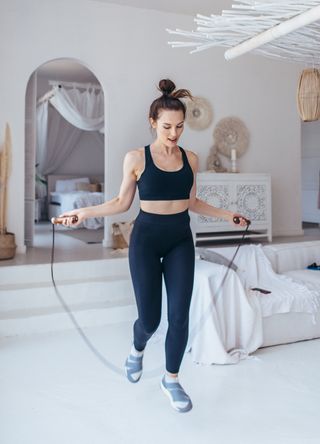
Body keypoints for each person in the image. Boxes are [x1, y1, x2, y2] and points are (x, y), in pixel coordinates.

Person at [58, 79, 249, 413]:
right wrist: (83, 211)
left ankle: (171, 379)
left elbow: (192, 202)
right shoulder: (136, 158)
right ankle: (137, 349)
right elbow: (120, 202)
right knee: (150, 320)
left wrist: (227, 214)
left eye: (179, 126)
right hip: (145, 240)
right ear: (153, 123)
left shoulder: (190, 158)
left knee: (179, 317)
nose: (173, 133)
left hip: (179, 240)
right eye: (166, 127)